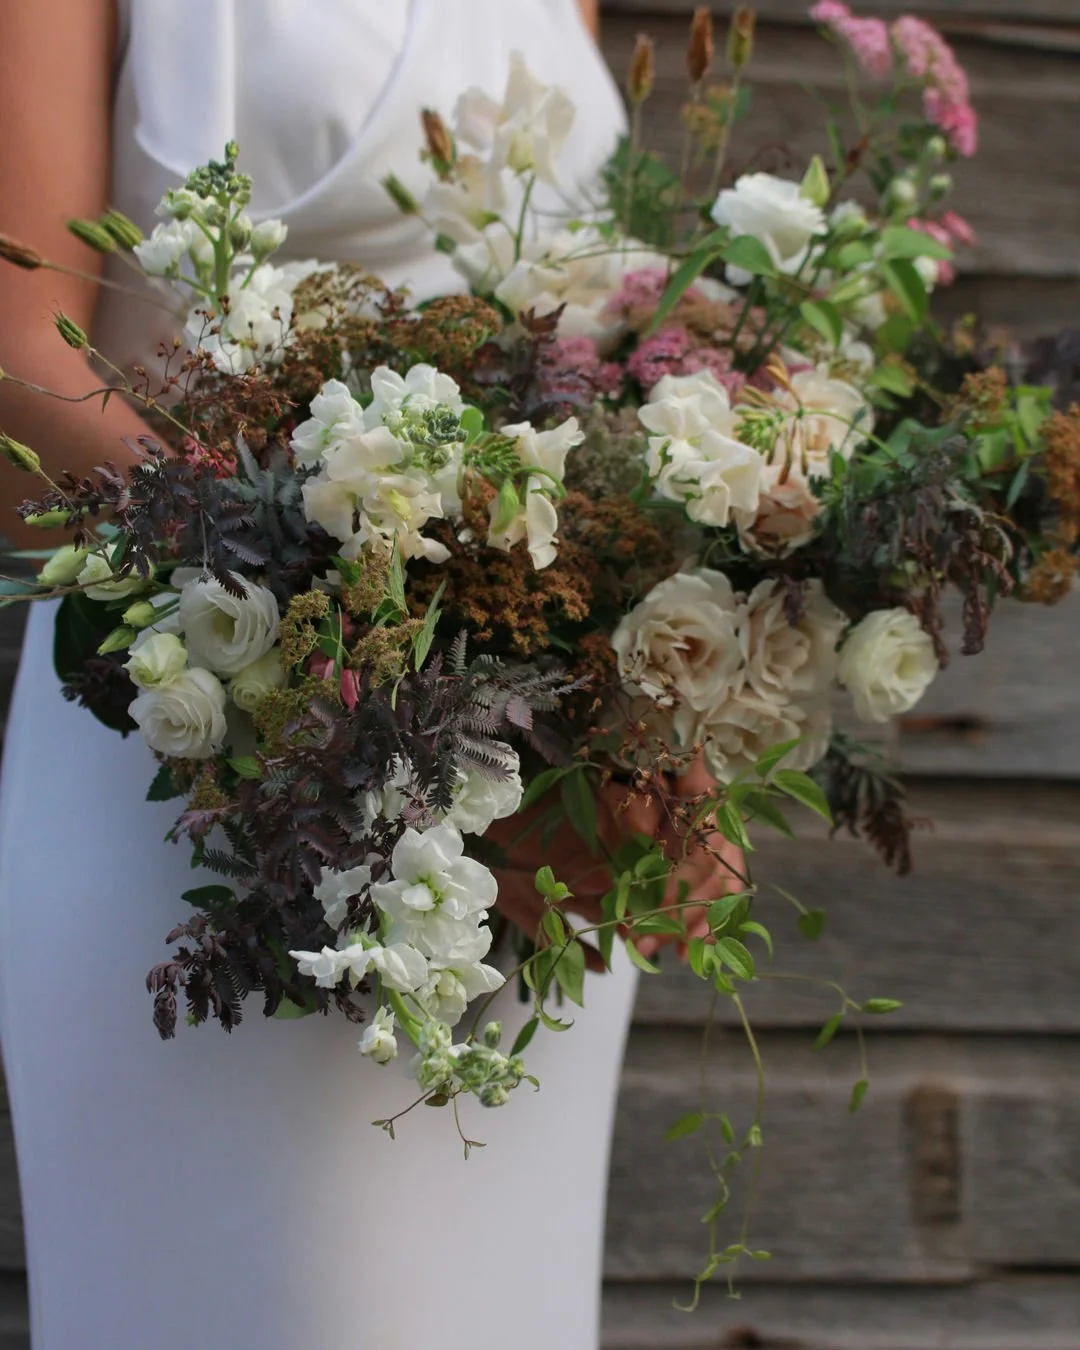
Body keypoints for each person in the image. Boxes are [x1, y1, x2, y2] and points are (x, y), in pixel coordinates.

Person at [0, 4, 738, 1347]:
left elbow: (576, 306)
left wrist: (634, 695)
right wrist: (332, 606)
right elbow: (19, 365)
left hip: (525, 806)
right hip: (205, 773)